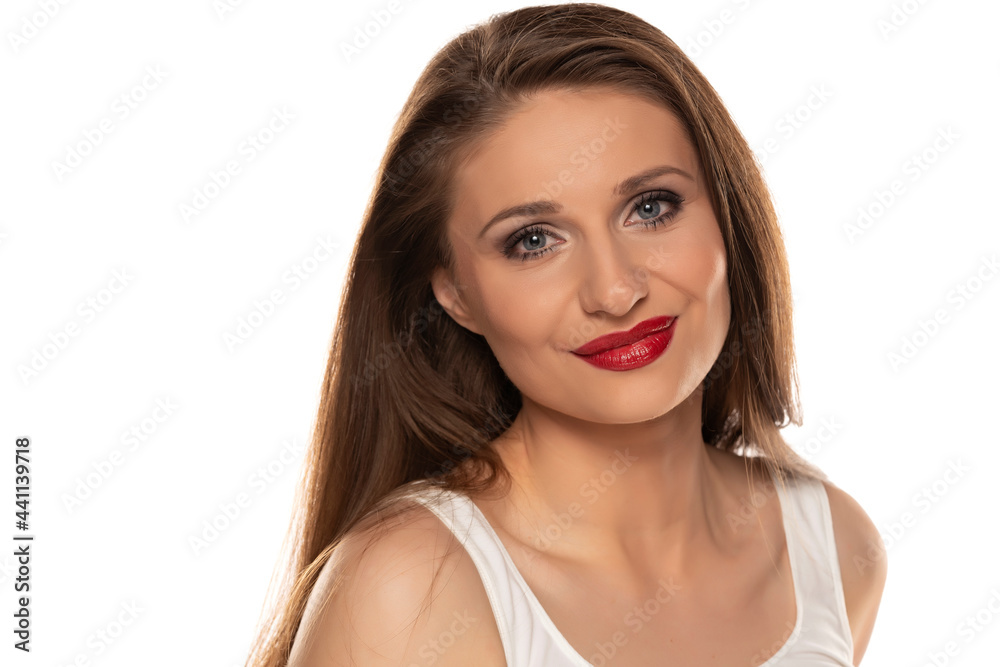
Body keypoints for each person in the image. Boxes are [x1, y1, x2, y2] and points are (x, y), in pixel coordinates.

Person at [245, 4, 887, 666]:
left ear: (726, 211)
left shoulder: (834, 548)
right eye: (533, 240)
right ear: (456, 294)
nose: (615, 290)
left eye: (650, 207)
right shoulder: (407, 589)